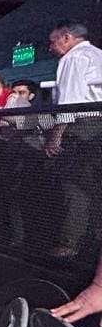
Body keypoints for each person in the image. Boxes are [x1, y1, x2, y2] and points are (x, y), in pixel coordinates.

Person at [45, 20, 102, 258]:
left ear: (66, 37)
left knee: (74, 189)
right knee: (95, 187)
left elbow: (71, 102)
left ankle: (69, 245)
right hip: (96, 128)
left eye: (53, 41)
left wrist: (56, 135)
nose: (50, 47)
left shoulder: (74, 58)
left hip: (83, 128)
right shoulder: (97, 54)